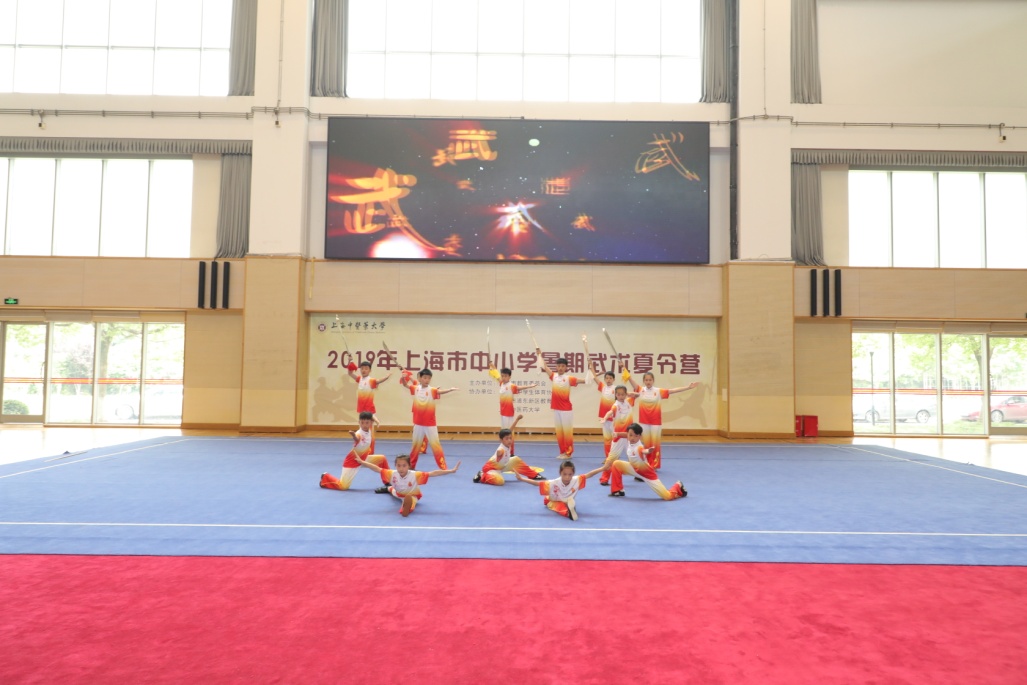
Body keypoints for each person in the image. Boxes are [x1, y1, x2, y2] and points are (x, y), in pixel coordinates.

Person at [356, 453, 460, 517]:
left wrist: (450, 471)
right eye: (398, 466)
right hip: (399, 493)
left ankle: (406, 508)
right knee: (392, 490)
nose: (401, 468)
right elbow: (377, 469)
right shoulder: (392, 473)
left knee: (410, 503)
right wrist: (362, 462)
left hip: (412, 495)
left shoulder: (415, 475)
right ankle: (388, 489)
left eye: (404, 466)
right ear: (395, 465)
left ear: (409, 466)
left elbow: (433, 473)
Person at [606, 423, 687, 500]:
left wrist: (648, 451)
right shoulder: (630, 438)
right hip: (634, 469)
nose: (632, 438)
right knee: (616, 464)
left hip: (646, 474)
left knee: (667, 496)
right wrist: (617, 434)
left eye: (636, 436)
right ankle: (618, 490)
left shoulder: (639, 447)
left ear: (640, 437)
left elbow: (643, 451)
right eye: (630, 435)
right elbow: (625, 435)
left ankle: (678, 485)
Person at [636, 372, 700, 469]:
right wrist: (623, 367)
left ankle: (654, 464)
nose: (648, 382)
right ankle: (647, 463)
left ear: (653, 381)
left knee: (655, 444)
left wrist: (688, 387)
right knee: (646, 443)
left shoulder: (658, 391)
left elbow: (672, 391)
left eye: (650, 380)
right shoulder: (640, 390)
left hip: (655, 422)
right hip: (644, 421)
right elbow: (630, 381)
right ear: (643, 381)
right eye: (646, 380)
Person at [400, 368, 457, 469]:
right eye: (425, 378)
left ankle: (443, 467)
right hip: (418, 423)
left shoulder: (432, 390)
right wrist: (403, 378)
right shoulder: (416, 388)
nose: (427, 380)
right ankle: (412, 466)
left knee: (436, 446)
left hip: (430, 424)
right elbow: (405, 385)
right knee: (415, 447)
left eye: (429, 378)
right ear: (420, 378)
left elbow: (440, 392)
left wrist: (450, 390)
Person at [319, 411, 389, 491]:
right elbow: (357, 438)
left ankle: (388, 483)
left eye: (367, 423)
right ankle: (325, 477)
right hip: (353, 461)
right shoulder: (359, 434)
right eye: (362, 423)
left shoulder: (369, 430)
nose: (364, 425)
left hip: (363, 459)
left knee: (382, 459)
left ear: (371, 423)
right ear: (359, 422)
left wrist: (377, 421)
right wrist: (353, 435)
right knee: (343, 486)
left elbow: (372, 415)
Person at [516, 459, 607, 521]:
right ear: (560, 473)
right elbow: (537, 484)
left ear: (573, 474)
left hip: (566, 500)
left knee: (565, 504)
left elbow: (589, 475)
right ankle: (569, 513)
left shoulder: (576, 479)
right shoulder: (554, 483)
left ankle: (570, 507)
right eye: (564, 474)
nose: (567, 477)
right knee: (560, 507)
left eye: (570, 474)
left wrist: (602, 468)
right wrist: (522, 479)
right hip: (553, 500)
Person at [536, 352, 580, 459]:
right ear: (556, 367)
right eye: (559, 366)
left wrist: (593, 376)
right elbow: (544, 366)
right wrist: (539, 354)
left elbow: (583, 381)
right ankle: (562, 452)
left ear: (566, 368)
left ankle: (568, 453)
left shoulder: (569, 378)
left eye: (563, 366)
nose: (560, 368)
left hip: (566, 410)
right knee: (559, 432)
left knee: (567, 432)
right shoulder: (554, 376)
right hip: (556, 409)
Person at [488, 361, 539, 452]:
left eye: (505, 376)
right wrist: (492, 366)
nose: (503, 378)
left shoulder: (511, 386)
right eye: (502, 376)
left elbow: (519, 387)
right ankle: (505, 450)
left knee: (509, 432)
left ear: (509, 377)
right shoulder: (501, 383)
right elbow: (496, 374)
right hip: (503, 412)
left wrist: (530, 386)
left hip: (508, 412)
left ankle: (511, 451)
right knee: (504, 432)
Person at [474, 420, 546, 486]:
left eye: (510, 438)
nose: (509, 440)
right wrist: (499, 453)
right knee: (500, 481)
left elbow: (510, 430)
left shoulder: (507, 443)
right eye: (507, 439)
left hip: (503, 466)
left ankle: (533, 475)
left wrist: (517, 419)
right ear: (501, 440)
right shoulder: (501, 449)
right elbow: (499, 452)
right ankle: (482, 475)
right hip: (492, 469)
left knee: (516, 459)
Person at [598, 384, 637, 487]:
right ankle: (604, 478)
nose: (621, 396)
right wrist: (605, 418)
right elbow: (610, 412)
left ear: (625, 394)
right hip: (618, 437)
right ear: (615, 395)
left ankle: (639, 475)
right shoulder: (615, 405)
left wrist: (629, 394)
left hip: (629, 437)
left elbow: (637, 395)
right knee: (611, 458)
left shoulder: (629, 402)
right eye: (618, 394)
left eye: (623, 394)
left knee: (634, 456)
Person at [346, 360, 392, 429]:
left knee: (369, 429)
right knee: (362, 428)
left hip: (369, 408)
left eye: (366, 368)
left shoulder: (371, 380)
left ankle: (375, 425)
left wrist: (386, 377)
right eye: (362, 368)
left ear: (370, 370)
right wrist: (350, 361)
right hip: (361, 408)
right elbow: (350, 373)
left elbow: (378, 381)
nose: (363, 370)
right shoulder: (359, 379)